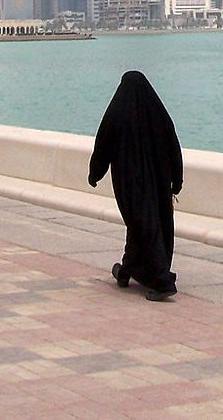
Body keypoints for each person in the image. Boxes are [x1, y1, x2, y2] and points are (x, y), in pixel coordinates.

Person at [88, 70, 183, 301]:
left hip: (129, 183)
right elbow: (173, 145)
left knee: (142, 224)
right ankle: (127, 269)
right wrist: (176, 181)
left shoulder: (118, 112)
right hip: (158, 181)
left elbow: (104, 143)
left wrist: (95, 173)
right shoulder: (158, 114)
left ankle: (162, 281)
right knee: (147, 224)